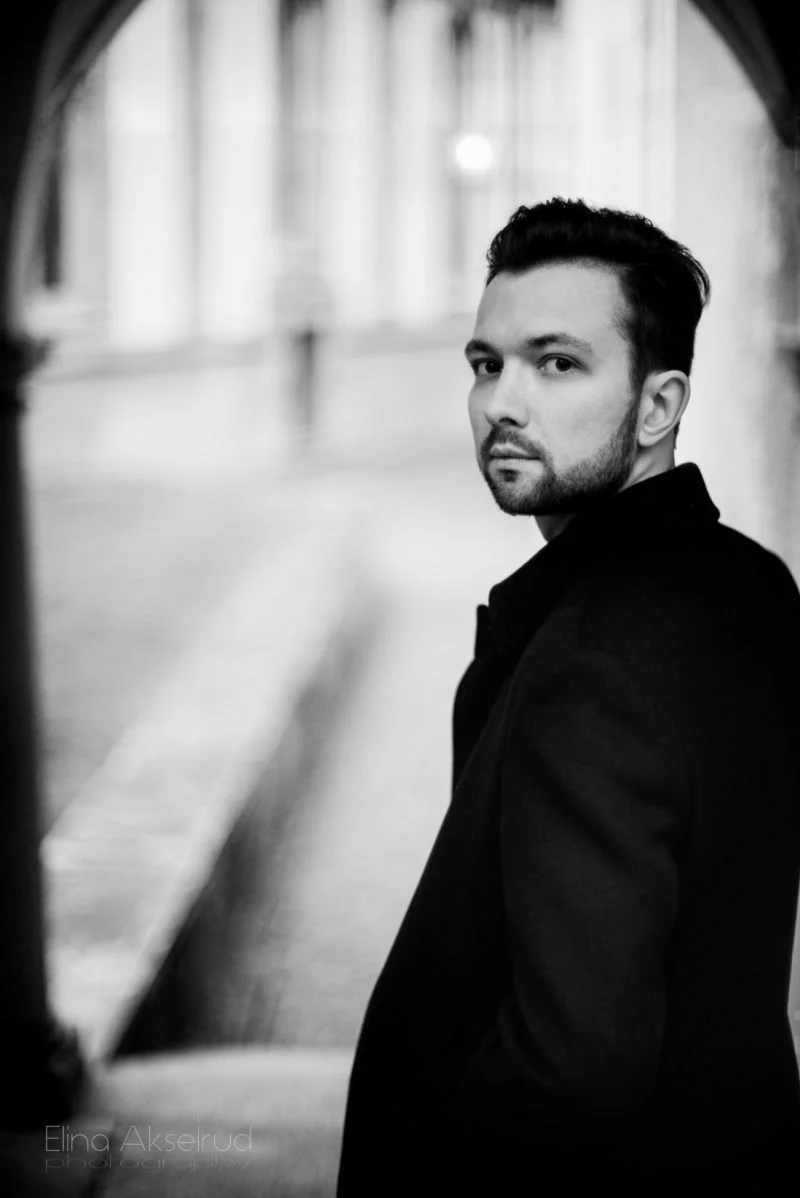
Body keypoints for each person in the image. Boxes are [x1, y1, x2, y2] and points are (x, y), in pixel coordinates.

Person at [335, 198, 800, 1196]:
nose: (500, 403)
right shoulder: (754, 584)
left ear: (657, 407)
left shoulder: (588, 672)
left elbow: (570, 1073)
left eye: (555, 364)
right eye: (484, 364)